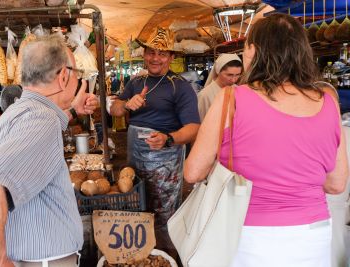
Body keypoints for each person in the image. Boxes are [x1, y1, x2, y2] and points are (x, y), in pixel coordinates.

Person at [184, 13, 348, 267]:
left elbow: (193, 172)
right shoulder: (328, 100)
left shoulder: (231, 98)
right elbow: (336, 184)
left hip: (247, 235)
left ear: (252, 50)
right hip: (313, 236)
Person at [0, 35, 99, 267]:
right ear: (64, 76)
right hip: (43, 261)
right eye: (76, 72)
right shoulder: (42, 119)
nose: (78, 78)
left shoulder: (21, 110)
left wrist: (73, 110)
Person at [110, 27, 200, 253]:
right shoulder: (135, 82)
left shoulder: (179, 86)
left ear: (171, 57)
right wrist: (126, 104)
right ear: (144, 54)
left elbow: (193, 128)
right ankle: (139, 253)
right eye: (151, 52)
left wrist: (169, 138)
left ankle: (165, 254)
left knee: (163, 209)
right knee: (136, 199)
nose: (155, 58)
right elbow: (115, 109)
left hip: (165, 158)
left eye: (162, 53)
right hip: (134, 152)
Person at [197, 53, 242, 121]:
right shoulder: (205, 95)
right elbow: (200, 122)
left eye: (237, 75)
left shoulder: (238, 90)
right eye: (229, 75)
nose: (234, 79)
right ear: (218, 71)